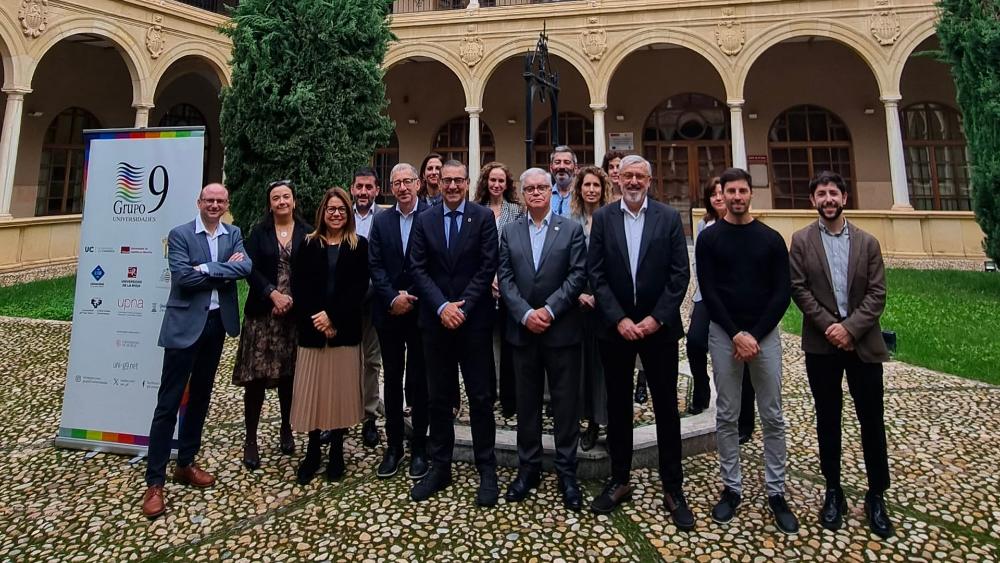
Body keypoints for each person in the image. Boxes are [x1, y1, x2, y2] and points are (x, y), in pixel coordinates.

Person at [587, 155, 694, 530]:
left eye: (640, 176)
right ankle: (619, 479)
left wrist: (654, 319)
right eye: (627, 175)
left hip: (658, 329)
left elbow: (680, 274)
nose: (633, 181)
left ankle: (673, 486)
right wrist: (619, 318)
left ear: (650, 181)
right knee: (618, 407)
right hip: (616, 330)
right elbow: (595, 273)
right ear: (617, 181)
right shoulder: (603, 219)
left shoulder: (667, 217)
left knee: (666, 408)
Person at [789, 171, 894, 538]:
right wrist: (831, 327)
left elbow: (877, 294)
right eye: (821, 193)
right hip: (822, 345)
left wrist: (850, 329)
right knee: (828, 418)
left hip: (863, 345)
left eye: (834, 193)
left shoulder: (868, 243)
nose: (828, 199)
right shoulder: (801, 241)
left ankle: (876, 493)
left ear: (845, 198)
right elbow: (799, 290)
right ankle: (833, 489)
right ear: (812, 201)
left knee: (871, 420)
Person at [696, 167, 798, 535]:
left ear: (750, 194)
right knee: (727, 413)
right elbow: (709, 290)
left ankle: (776, 490)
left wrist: (753, 334)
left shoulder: (770, 239)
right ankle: (732, 486)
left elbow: (781, 292)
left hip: (764, 335)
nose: (736, 197)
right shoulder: (710, 239)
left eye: (742, 191)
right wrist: (736, 334)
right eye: (730, 191)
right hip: (725, 334)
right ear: (721, 193)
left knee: (772, 414)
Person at [141, 183, 252, 519]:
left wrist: (203, 269)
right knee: (168, 402)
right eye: (209, 200)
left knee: (201, 396)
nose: (214, 205)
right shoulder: (180, 235)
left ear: (226, 204)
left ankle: (186, 462)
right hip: (184, 327)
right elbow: (182, 278)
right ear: (199, 202)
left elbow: (245, 268)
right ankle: (154, 481)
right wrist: (220, 270)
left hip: (216, 325)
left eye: (220, 200)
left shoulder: (233, 234)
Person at [408, 160, 500, 507]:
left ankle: (486, 468)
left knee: (480, 398)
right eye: (446, 180)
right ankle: (440, 465)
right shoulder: (425, 218)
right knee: (438, 398)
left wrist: (462, 306)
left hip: (473, 322)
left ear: (466, 182)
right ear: (439, 183)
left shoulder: (482, 218)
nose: (451, 186)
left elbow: (487, 264)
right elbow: (417, 267)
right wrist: (441, 307)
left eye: (458, 180)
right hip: (435, 323)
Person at [499, 167, 588, 511]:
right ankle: (528, 468)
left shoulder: (571, 229)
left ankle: (567, 472)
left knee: (566, 407)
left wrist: (549, 311)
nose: (536, 193)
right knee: (527, 405)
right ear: (522, 194)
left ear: (552, 191)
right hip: (523, 333)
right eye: (530, 188)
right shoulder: (509, 231)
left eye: (542, 187)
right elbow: (505, 278)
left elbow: (577, 274)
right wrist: (525, 314)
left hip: (561, 331)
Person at [289, 187, 370, 485]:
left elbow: (358, 288)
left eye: (341, 210)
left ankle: (336, 450)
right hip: (312, 331)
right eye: (331, 209)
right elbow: (300, 287)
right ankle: (312, 452)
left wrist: (333, 317)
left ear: (348, 214)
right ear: (322, 212)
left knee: (339, 393)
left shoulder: (359, 245)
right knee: (314, 393)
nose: (336, 214)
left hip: (344, 330)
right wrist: (320, 320)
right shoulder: (308, 244)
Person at [232, 180, 310, 471]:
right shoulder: (258, 232)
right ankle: (251, 438)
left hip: (293, 316)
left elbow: (312, 270)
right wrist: (272, 294)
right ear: (270, 204)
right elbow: (248, 268)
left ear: (294, 201)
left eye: (286, 197)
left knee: (289, 377)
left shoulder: (306, 232)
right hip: (262, 316)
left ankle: (286, 429)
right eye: (276, 197)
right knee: (256, 380)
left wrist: (292, 299)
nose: (281, 202)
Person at [368, 163, 431, 480]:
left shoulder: (431, 217)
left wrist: (412, 296)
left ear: (418, 184)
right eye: (397, 183)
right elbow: (374, 264)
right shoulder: (382, 221)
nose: (403, 187)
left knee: (419, 382)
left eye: (408, 181)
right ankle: (394, 447)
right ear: (390, 188)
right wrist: (393, 297)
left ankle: (420, 447)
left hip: (421, 313)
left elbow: (434, 263)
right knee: (392, 380)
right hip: (389, 312)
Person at [688, 178, 755, 422]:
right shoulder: (704, 225)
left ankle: (745, 415)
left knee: (743, 354)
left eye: (721, 193)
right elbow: (699, 263)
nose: (718, 198)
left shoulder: (746, 226)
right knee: (695, 342)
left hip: (737, 300)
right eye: (713, 194)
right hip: (706, 296)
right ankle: (702, 389)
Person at [568, 165, 612, 451]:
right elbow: (565, 261)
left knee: (605, 367)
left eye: (596, 185)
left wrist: (600, 295)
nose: (592, 190)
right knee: (580, 366)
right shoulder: (570, 221)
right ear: (579, 189)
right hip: (577, 301)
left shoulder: (612, 219)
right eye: (587, 185)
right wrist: (578, 294)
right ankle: (586, 421)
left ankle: (606, 421)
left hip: (606, 302)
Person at [475, 161, 524, 417]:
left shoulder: (516, 211)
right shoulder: (476, 210)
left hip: (508, 283)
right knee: (483, 343)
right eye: (492, 180)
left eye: (500, 181)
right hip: (482, 286)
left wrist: (502, 279)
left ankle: (509, 398)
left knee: (507, 344)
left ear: (507, 184)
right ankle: (486, 393)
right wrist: (488, 278)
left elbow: (518, 249)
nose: (496, 185)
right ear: (485, 182)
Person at [351, 166, 385, 449]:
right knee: (342, 361)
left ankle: (369, 416)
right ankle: (339, 415)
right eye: (359, 187)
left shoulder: (384, 218)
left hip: (375, 301)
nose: (363, 192)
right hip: (344, 303)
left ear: (377, 190)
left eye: (368, 187)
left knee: (371, 360)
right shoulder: (338, 215)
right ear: (352, 189)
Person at [549, 145, 577, 216]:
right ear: (551, 168)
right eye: (557, 162)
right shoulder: (545, 195)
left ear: (575, 168)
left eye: (567, 162)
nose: (562, 167)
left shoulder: (582, 195)